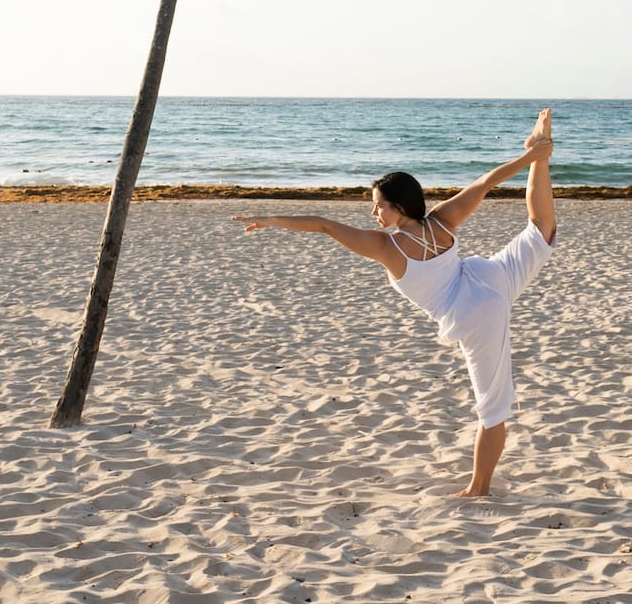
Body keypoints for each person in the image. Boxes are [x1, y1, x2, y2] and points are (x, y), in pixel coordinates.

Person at [233, 108, 559, 496]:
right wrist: (530, 158)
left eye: (379, 206)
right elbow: (486, 182)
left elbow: (323, 224)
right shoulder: (441, 220)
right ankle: (543, 153)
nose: (374, 213)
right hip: (487, 278)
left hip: (474, 314)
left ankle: (478, 488)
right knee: (541, 229)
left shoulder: (386, 248)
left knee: (492, 404)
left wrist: (271, 219)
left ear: (399, 207)